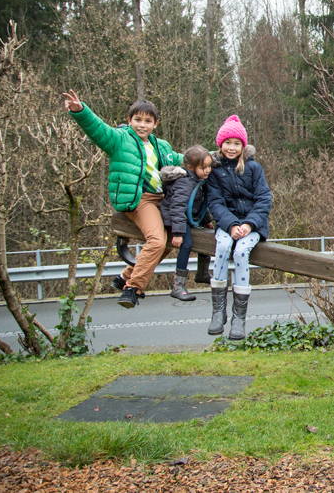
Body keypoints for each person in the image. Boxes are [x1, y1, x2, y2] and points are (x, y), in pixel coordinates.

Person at [62, 90, 183, 308]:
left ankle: (126, 275)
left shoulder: (161, 146)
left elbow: (186, 159)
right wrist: (81, 111)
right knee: (157, 240)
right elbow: (98, 130)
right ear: (129, 121)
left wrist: (214, 156)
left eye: (148, 121)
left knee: (167, 243)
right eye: (137, 120)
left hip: (160, 200)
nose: (142, 125)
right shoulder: (120, 140)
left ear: (156, 123)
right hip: (139, 200)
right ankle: (132, 289)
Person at [206, 115, 272, 340]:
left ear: (243, 146)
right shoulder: (214, 172)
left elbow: (264, 198)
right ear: (220, 144)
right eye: (227, 143)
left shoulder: (253, 168)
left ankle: (239, 318)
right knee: (223, 248)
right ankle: (217, 312)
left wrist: (248, 224)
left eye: (236, 143)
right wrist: (232, 224)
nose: (231, 147)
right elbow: (215, 202)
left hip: (253, 226)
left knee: (242, 252)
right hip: (227, 224)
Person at [159, 145, 214, 301]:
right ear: (190, 167)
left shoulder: (197, 180)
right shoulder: (184, 182)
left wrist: (206, 220)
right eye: (204, 167)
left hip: (188, 218)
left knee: (207, 238)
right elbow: (177, 208)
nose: (208, 170)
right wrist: (178, 233)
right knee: (187, 244)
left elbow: (198, 203)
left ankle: (202, 273)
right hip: (177, 220)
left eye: (209, 166)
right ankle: (179, 285)